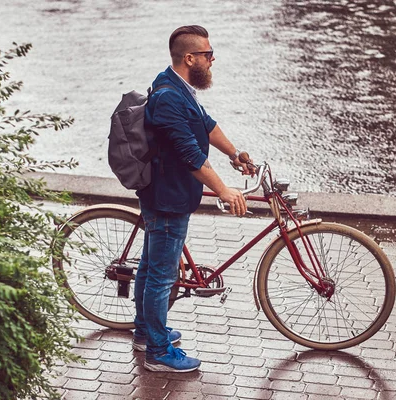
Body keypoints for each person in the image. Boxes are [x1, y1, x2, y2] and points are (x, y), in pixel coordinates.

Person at [132, 25, 255, 373]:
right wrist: (224, 190)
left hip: (170, 191)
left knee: (151, 266)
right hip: (167, 196)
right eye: (208, 54)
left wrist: (235, 154)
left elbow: (206, 125)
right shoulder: (169, 96)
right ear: (190, 58)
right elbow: (190, 154)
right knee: (161, 275)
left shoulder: (178, 86)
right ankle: (157, 352)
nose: (212, 60)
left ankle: (145, 331)